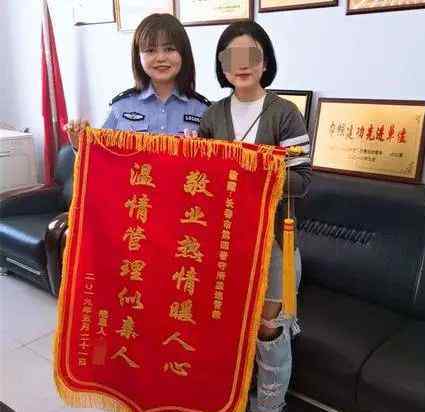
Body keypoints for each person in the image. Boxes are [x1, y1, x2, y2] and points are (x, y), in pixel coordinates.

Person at [198, 21, 311, 412]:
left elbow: (302, 181)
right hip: (225, 245)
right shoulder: (212, 116)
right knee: (229, 329)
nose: (242, 65)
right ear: (222, 65)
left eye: (252, 56)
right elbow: (202, 181)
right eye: (233, 58)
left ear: (265, 62)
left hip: (274, 244)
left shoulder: (285, 114)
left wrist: (253, 171)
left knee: (268, 330)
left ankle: (269, 407)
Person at [65, 13, 210, 147]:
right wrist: (80, 144)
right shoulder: (121, 107)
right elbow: (101, 158)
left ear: (184, 54)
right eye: (150, 50)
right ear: (138, 56)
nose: (160, 58)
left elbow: (215, 163)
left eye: (169, 49)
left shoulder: (204, 110)